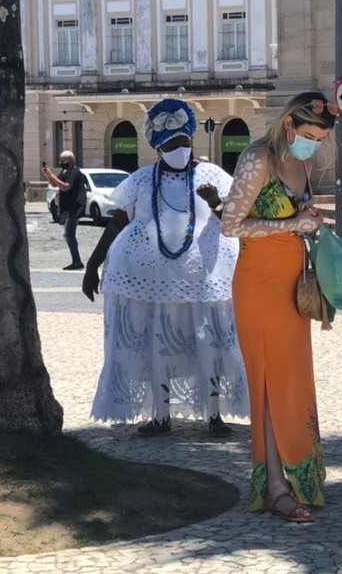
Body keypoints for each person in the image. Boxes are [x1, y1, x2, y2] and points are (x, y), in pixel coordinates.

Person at [82, 98, 248, 438]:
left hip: (207, 282)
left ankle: (214, 415)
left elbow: (235, 221)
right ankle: (160, 416)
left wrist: (216, 204)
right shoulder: (142, 181)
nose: (180, 149)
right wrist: (92, 264)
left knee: (211, 343)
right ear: (157, 147)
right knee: (158, 347)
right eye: (172, 144)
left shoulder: (213, 175)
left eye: (184, 142)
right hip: (153, 285)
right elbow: (117, 222)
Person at [221, 91, 335, 524]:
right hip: (258, 287)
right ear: (289, 124)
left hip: (292, 288)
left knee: (293, 378)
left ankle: (300, 476)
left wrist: (309, 216)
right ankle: (273, 486)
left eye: (320, 138)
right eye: (308, 135)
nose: (313, 144)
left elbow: (293, 216)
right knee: (268, 381)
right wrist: (290, 223)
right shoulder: (258, 159)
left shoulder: (301, 162)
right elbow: (230, 225)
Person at [43, 150, 88, 270]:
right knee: (68, 234)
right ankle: (76, 261)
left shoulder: (74, 172)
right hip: (68, 207)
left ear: (70, 160)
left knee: (69, 234)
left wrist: (52, 176)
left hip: (75, 207)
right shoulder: (65, 171)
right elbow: (54, 184)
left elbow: (65, 187)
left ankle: (77, 261)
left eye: (63, 160)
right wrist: (48, 175)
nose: (61, 162)